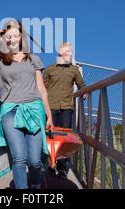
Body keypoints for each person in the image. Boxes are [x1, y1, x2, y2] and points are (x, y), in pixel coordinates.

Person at [0, 20, 54, 189]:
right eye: (8, 36)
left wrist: (49, 115)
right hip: (10, 110)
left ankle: (36, 183)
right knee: (19, 157)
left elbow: (41, 88)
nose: (12, 39)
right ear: (4, 39)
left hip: (34, 109)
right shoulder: (1, 59)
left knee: (34, 161)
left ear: (21, 37)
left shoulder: (33, 59)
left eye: (16, 35)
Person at [43, 42, 85, 177]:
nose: (70, 54)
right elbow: (42, 88)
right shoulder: (49, 69)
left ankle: (62, 168)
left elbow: (81, 85)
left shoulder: (74, 70)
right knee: (50, 136)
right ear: (60, 53)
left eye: (71, 52)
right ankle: (50, 164)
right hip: (51, 107)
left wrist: (84, 93)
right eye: (67, 51)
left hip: (67, 107)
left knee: (65, 138)